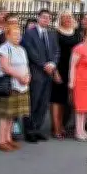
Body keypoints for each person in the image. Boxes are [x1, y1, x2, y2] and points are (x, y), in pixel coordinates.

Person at [0, 25, 30, 152]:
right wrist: (19, 77)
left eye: (19, 34)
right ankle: (1, 140)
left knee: (12, 115)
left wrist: (28, 77)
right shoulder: (4, 48)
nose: (18, 37)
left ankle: (8, 139)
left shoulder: (21, 49)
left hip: (21, 86)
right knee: (5, 115)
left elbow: (26, 66)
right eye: (15, 34)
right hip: (9, 85)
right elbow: (5, 67)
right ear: (7, 35)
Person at [21, 9, 59, 143]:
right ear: (38, 18)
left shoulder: (52, 34)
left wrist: (53, 64)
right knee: (33, 102)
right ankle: (29, 131)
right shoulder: (29, 33)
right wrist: (44, 65)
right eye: (43, 17)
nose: (46, 20)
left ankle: (37, 129)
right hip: (36, 72)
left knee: (43, 103)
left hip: (48, 74)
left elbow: (56, 51)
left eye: (48, 18)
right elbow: (30, 52)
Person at [50, 10, 81, 139]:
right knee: (57, 99)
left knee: (66, 99)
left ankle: (62, 125)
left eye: (69, 17)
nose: (67, 19)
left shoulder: (76, 32)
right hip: (60, 68)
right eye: (64, 17)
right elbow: (52, 52)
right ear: (60, 19)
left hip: (72, 69)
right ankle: (56, 128)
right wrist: (55, 71)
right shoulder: (55, 33)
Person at [69, 27, 87, 141]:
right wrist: (71, 81)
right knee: (80, 108)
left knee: (86, 108)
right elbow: (73, 66)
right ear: (84, 36)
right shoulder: (79, 48)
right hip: (80, 81)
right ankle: (78, 131)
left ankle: (82, 130)